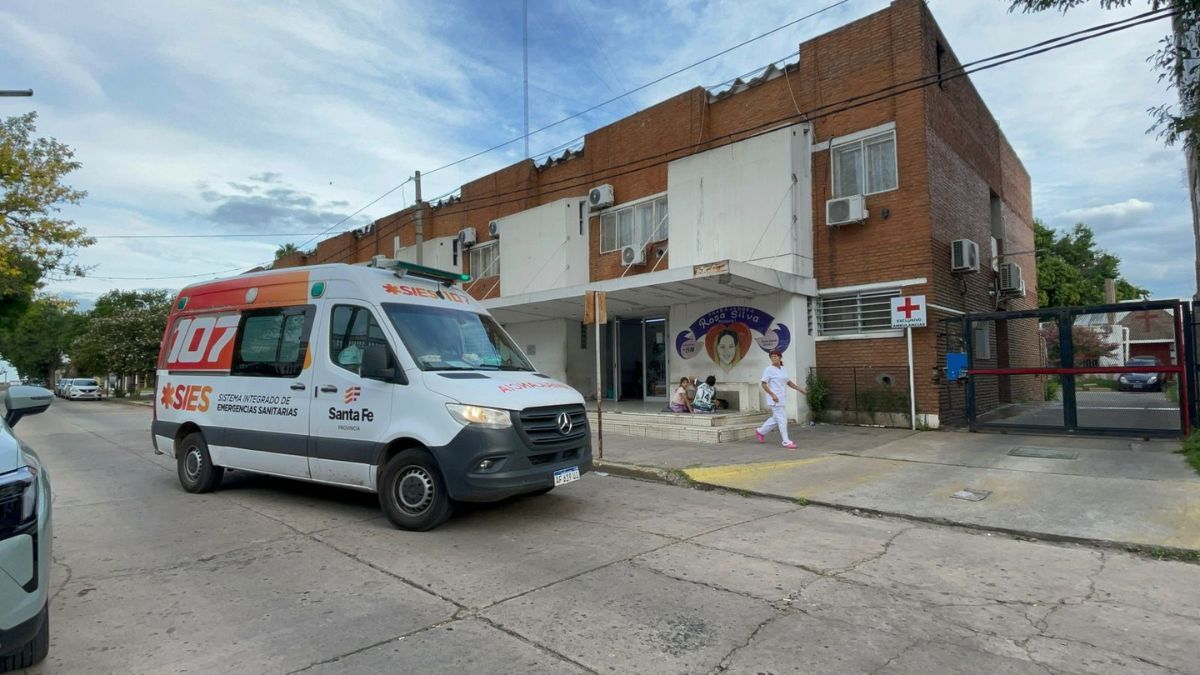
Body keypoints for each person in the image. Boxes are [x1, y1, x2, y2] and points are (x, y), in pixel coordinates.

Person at [756, 349, 807, 449]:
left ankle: (760, 431)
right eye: (772, 357)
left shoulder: (783, 369)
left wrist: (799, 389)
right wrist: (772, 395)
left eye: (775, 356)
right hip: (775, 399)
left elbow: (788, 382)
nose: (774, 358)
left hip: (782, 398)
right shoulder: (768, 369)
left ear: (780, 357)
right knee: (782, 419)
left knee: (775, 419)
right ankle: (786, 441)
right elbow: (763, 384)